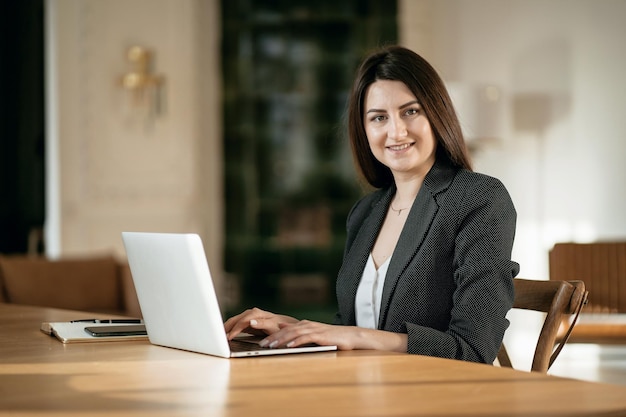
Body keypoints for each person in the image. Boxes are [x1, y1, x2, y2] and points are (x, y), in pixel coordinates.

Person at [225, 45, 519, 364]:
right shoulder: (366, 212)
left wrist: (357, 336)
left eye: (410, 111)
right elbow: (355, 329)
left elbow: (473, 349)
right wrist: (290, 328)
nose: (396, 131)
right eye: (379, 117)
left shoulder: (479, 198)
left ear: (437, 113)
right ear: (364, 130)